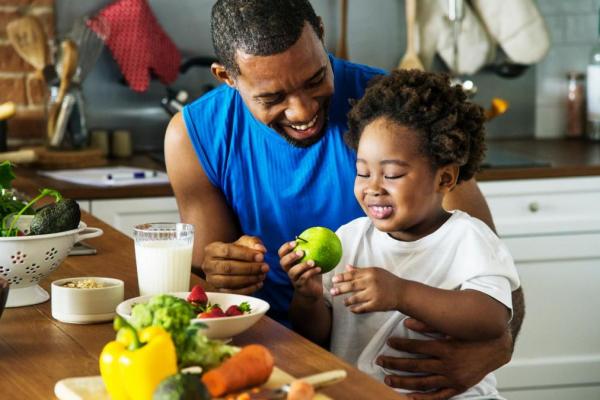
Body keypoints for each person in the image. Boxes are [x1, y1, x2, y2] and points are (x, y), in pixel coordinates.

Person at [164, 0, 525, 397]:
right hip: (272, 361)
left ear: (321, 32)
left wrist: (494, 350)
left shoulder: (395, 114)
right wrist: (221, 271)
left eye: (315, 78)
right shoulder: (194, 135)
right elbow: (207, 293)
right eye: (272, 97)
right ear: (226, 77)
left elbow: (497, 281)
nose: (302, 110)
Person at [279, 69, 521, 398]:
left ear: (444, 179)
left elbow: (492, 318)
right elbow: (319, 334)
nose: (372, 188)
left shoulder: (467, 238)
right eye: (363, 172)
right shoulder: (350, 239)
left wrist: (401, 294)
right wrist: (306, 298)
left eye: (391, 174)